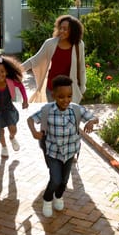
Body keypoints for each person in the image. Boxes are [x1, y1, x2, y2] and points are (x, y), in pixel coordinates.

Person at [27, 75, 98, 218]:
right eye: (61, 97)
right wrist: (34, 132)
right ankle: (47, 200)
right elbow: (30, 119)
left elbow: (94, 117)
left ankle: (58, 196)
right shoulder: (47, 110)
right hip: (53, 152)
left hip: (70, 153)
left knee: (64, 181)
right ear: (53, 95)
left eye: (69, 96)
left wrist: (91, 122)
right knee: (55, 179)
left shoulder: (76, 109)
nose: (66, 100)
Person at [22, 15, 86, 104]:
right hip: (52, 89)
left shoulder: (79, 45)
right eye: (60, 28)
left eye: (65, 29)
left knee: (68, 116)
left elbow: (82, 67)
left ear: (73, 31)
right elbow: (34, 60)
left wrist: (82, 87)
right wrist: (16, 69)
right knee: (54, 115)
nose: (61, 31)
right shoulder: (50, 43)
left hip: (69, 91)